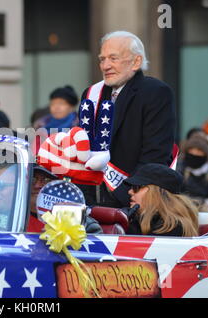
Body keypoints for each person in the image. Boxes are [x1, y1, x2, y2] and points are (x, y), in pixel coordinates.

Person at [77, 30, 176, 208]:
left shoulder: (155, 92)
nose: (105, 66)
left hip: (133, 202)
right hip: (91, 203)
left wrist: (122, 196)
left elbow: (155, 156)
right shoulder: (91, 94)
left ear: (136, 61)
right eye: (102, 59)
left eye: (113, 58)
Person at [123, 163, 199, 237]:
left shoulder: (172, 228)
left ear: (156, 194)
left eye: (137, 187)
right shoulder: (143, 221)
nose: (130, 191)